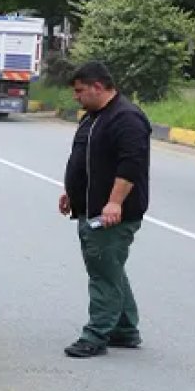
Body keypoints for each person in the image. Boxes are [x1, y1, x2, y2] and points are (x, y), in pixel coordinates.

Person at [59, 61, 152, 358]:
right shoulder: (94, 117)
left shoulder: (126, 118)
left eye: (80, 90)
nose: (76, 96)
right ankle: (125, 330)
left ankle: (96, 334)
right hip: (90, 207)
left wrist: (114, 202)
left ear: (98, 86)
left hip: (111, 214)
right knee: (110, 268)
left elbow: (131, 164)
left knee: (102, 272)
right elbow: (86, 161)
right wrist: (72, 193)